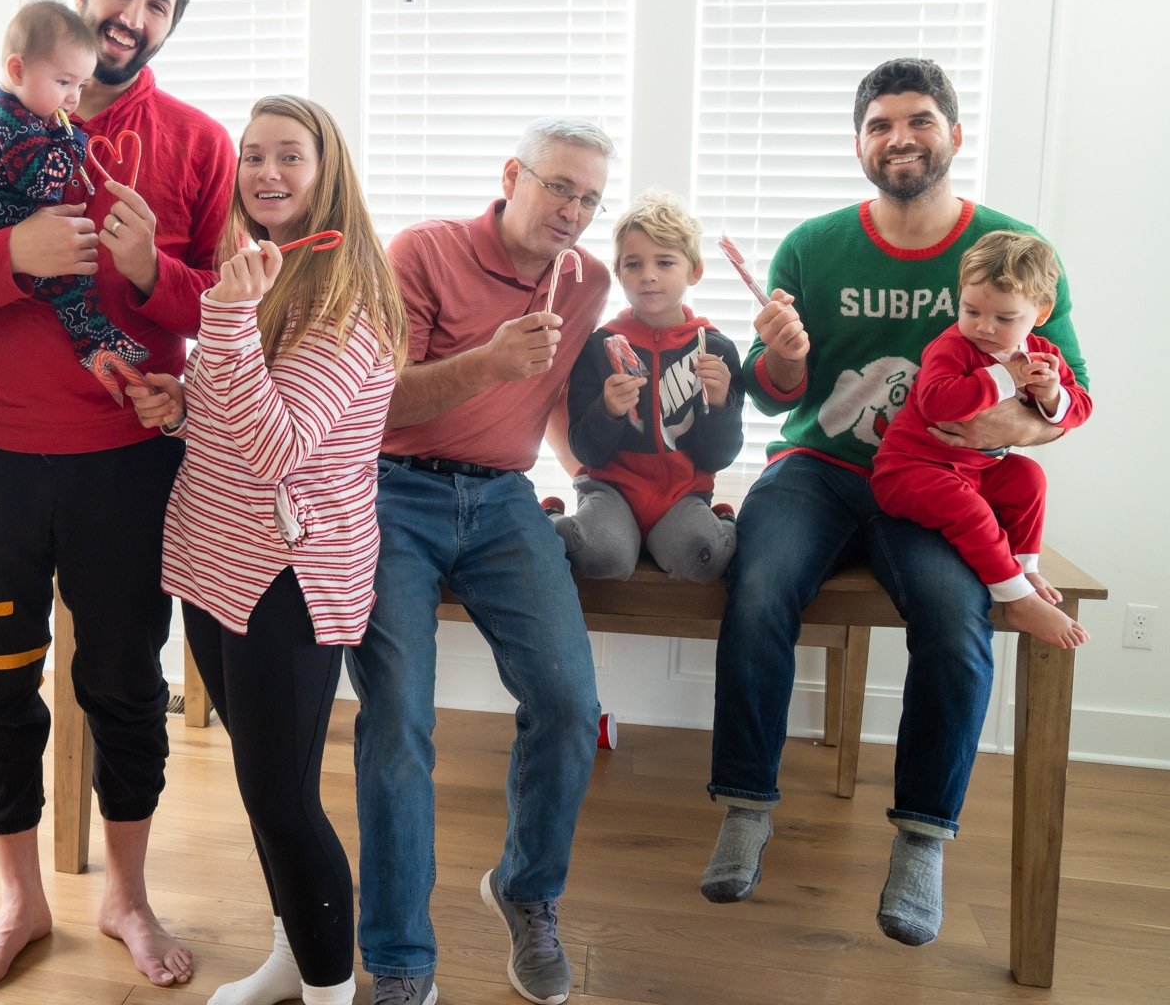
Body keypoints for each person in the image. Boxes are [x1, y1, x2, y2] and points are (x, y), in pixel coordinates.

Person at [702, 58, 1089, 949]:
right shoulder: (812, 244)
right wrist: (785, 355)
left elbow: (1070, 396)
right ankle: (745, 804)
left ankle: (923, 835)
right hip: (820, 466)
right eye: (879, 125)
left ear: (955, 134)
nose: (899, 139)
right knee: (759, 591)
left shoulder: (1012, 251)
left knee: (957, 623)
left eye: (918, 121)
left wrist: (997, 431)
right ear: (859, 144)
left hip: (943, 481)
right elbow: (774, 393)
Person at [0, 0, 233, 988]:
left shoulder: (196, 142)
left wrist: (151, 278)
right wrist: (12, 253)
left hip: (125, 458)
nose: (135, 18)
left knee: (124, 682)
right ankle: (18, 901)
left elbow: (233, 306)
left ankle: (126, 900)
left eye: (160, 6)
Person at [126, 96, 405, 1005]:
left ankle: (330, 991)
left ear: (330, 174)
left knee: (285, 802)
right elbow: (245, 415)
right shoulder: (266, 275)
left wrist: (228, 321)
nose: (266, 173)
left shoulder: (348, 302)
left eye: (290, 155)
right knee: (262, 791)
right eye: (252, 156)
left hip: (288, 577)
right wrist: (182, 402)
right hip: (219, 561)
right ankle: (297, 954)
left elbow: (281, 450)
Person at [349, 117, 614, 1005]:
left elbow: (569, 394)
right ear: (513, 175)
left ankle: (527, 893)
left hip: (504, 501)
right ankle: (398, 961)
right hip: (394, 488)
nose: (573, 211)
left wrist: (593, 483)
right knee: (396, 726)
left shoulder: (588, 281)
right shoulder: (421, 253)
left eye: (589, 198)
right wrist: (490, 363)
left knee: (571, 704)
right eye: (559, 187)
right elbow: (380, 403)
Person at [871, 230, 1092, 647]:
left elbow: (1080, 406)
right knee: (970, 510)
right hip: (910, 471)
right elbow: (937, 402)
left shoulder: (1043, 355)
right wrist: (1004, 377)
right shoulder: (952, 346)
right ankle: (1015, 597)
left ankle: (1024, 566)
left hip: (976, 470)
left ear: (1040, 314)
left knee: (1029, 478)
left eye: (1005, 319)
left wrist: (1050, 395)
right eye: (971, 310)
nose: (984, 327)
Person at [0, 0, 149, 397]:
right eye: (64, 83)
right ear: (17, 70)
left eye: (81, 85)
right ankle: (93, 340)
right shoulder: (8, 122)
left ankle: (94, 338)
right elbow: (41, 181)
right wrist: (75, 144)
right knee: (66, 271)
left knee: (69, 270)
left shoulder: (22, 111)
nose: (73, 99)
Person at [559, 190, 743, 582]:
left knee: (704, 558)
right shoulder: (598, 347)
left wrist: (722, 403)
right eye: (633, 264)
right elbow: (585, 449)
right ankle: (549, 516)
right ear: (618, 272)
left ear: (694, 271)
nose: (648, 275)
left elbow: (719, 456)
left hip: (683, 495)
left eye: (664, 262)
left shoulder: (717, 349)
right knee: (599, 559)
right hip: (612, 490)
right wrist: (606, 411)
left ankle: (721, 520)